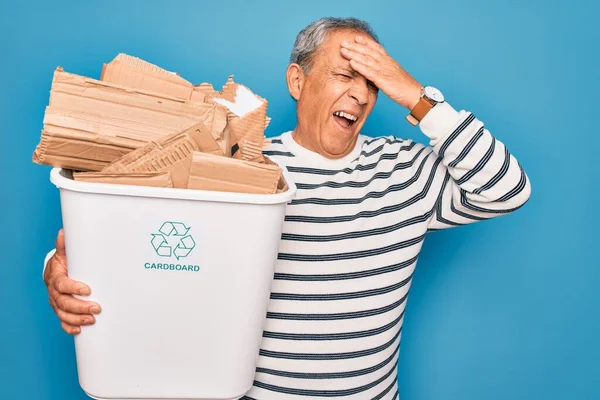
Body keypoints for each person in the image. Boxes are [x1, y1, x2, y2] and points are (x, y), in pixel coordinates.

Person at [42, 17, 531, 400]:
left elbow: (508, 190)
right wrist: (58, 269)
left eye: (374, 82)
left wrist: (419, 99)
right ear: (298, 81)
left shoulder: (407, 170)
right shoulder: (242, 163)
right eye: (346, 74)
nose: (361, 94)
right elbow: (143, 233)